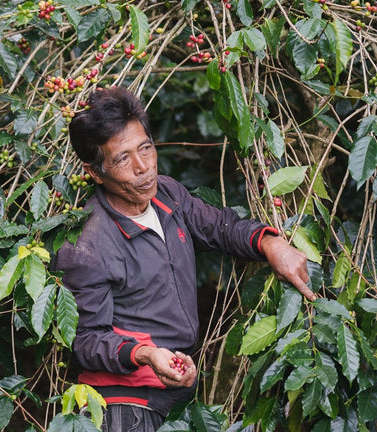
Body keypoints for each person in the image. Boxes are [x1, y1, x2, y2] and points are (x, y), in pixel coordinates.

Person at [51, 86, 316, 432]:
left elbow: (218, 226)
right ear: (95, 172)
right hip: (121, 404)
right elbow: (85, 340)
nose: (143, 167)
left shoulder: (167, 195)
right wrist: (145, 354)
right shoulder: (86, 246)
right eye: (122, 159)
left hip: (173, 393)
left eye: (145, 148)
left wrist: (271, 243)